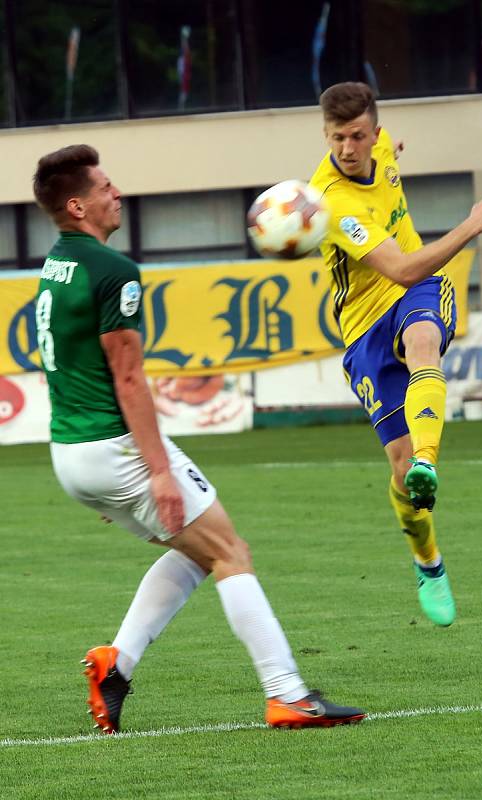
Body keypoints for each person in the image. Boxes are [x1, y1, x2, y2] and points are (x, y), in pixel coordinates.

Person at [32, 144, 366, 734]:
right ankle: (287, 694)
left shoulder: (55, 265)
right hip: (116, 450)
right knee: (231, 553)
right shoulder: (114, 272)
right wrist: (157, 471)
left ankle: (117, 664)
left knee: (196, 554)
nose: (118, 194)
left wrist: (98, 472)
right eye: (107, 187)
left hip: (71, 454)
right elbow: (128, 377)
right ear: (79, 204)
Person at [309, 82, 482, 627]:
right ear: (325, 136)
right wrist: (470, 225)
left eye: (358, 136)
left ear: (374, 132)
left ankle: (428, 461)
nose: (348, 148)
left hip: (416, 295)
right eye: (337, 138)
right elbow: (400, 268)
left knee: (423, 344)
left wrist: (389, 154)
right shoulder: (334, 203)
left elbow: (415, 279)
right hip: (365, 325)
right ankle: (429, 563)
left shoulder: (381, 145)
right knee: (397, 472)